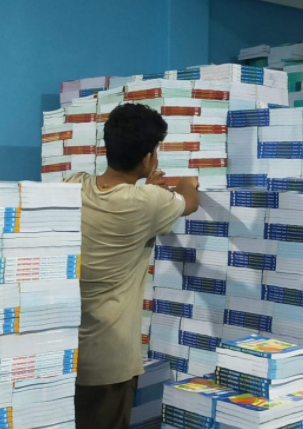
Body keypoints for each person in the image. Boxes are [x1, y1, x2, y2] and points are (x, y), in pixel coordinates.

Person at [66, 103, 200, 429]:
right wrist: (188, 182)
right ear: (148, 158)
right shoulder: (148, 202)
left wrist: (147, 190)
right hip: (109, 361)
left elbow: (121, 199)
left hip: (64, 353)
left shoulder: (72, 185)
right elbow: (190, 201)